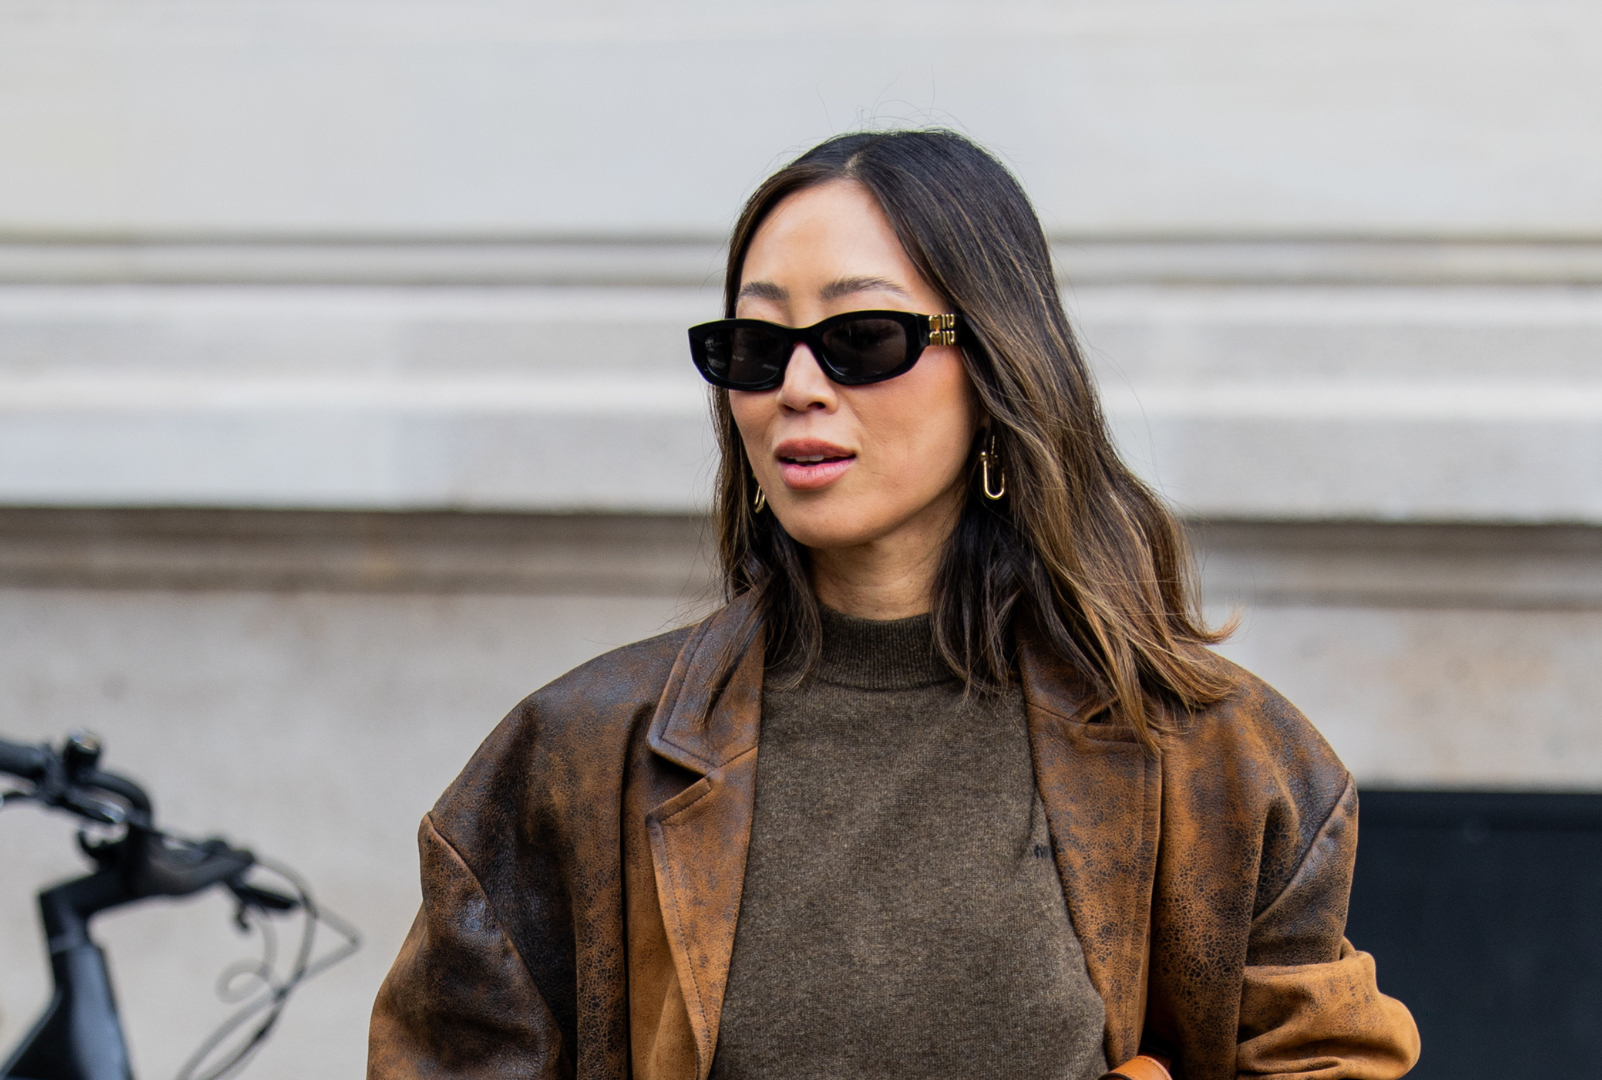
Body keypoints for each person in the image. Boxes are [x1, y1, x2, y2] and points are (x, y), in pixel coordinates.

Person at [368, 129, 1419, 1080]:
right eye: (756, 345)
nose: (799, 387)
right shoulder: (576, 759)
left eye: (864, 338)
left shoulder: (1220, 759)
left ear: (998, 365)